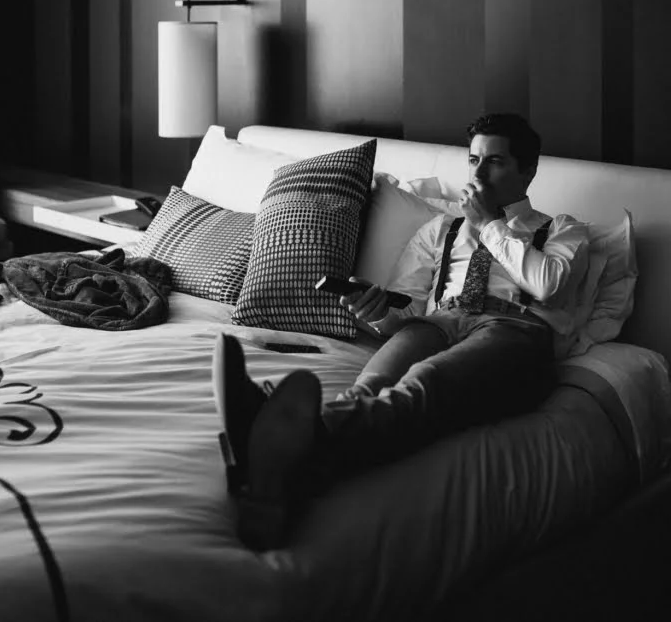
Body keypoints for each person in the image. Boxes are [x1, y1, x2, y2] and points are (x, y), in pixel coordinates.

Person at [212, 113, 591, 550]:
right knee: (367, 388)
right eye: (473, 160)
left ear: (528, 170)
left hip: (513, 329)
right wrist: (376, 311)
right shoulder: (441, 228)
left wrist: (490, 223)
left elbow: (548, 284)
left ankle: (269, 433)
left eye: (496, 162)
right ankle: (276, 480)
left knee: (425, 382)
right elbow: (405, 308)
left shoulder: (562, 229)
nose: (479, 173)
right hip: (441, 320)